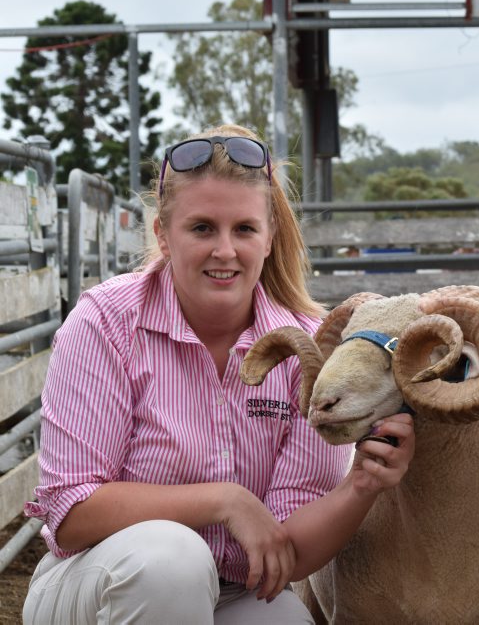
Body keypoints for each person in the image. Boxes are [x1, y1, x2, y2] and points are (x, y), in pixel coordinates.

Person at [22, 124, 415, 624]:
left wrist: (359, 484)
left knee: (286, 620)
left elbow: (284, 550)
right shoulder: (106, 321)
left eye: (244, 229)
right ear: (164, 236)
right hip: (95, 580)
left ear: (269, 238)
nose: (225, 250)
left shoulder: (309, 347)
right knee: (170, 562)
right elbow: (72, 513)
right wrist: (224, 501)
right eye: (202, 228)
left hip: (230, 590)